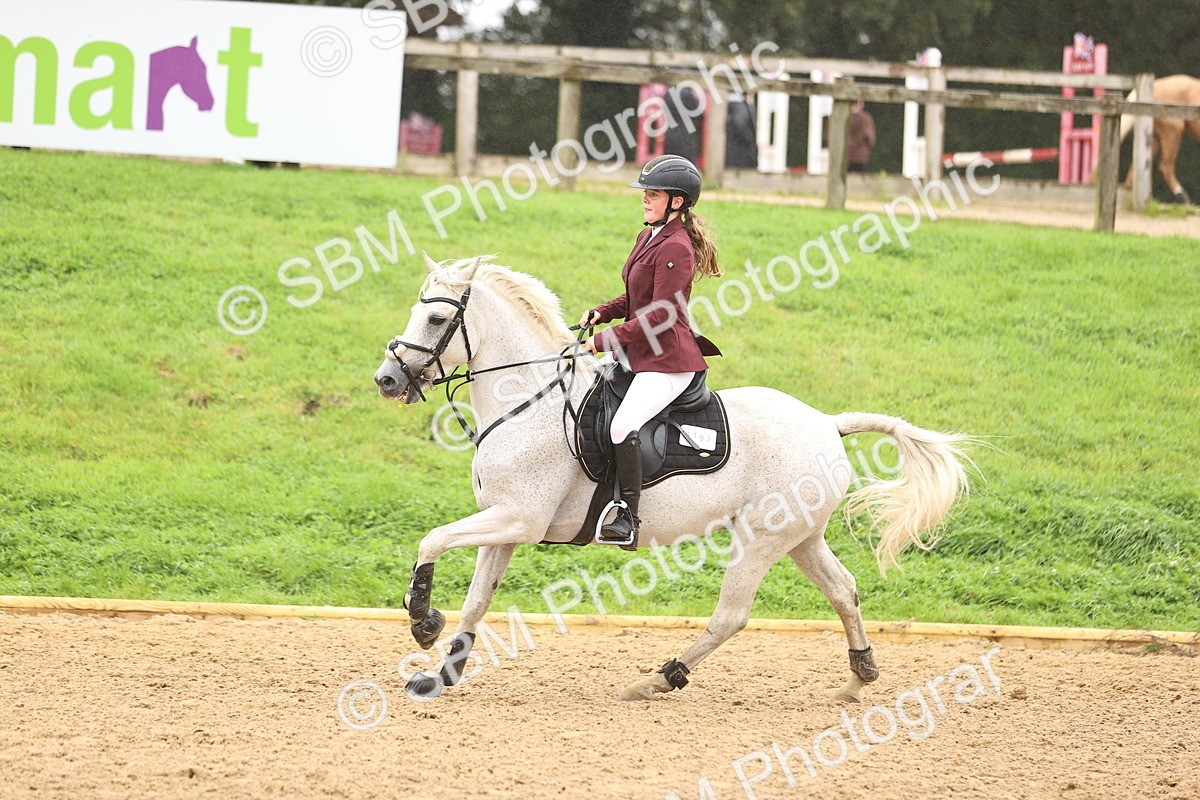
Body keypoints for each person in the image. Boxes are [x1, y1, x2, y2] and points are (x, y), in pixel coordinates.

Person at [578, 155, 722, 544]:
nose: (644, 200)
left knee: (624, 425)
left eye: (652, 194)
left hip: (668, 360)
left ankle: (627, 514)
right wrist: (602, 313)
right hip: (641, 351)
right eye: (645, 193)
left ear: (677, 202)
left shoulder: (677, 248)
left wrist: (603, 341)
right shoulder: (649, 236)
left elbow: (659, 315)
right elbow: (636, 297)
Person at [848, 100, 876, 173]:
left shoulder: (840, 117)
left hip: (842, 157)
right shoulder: (865, 118)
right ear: (860, 104)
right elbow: (869, 138)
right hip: (859, 158)